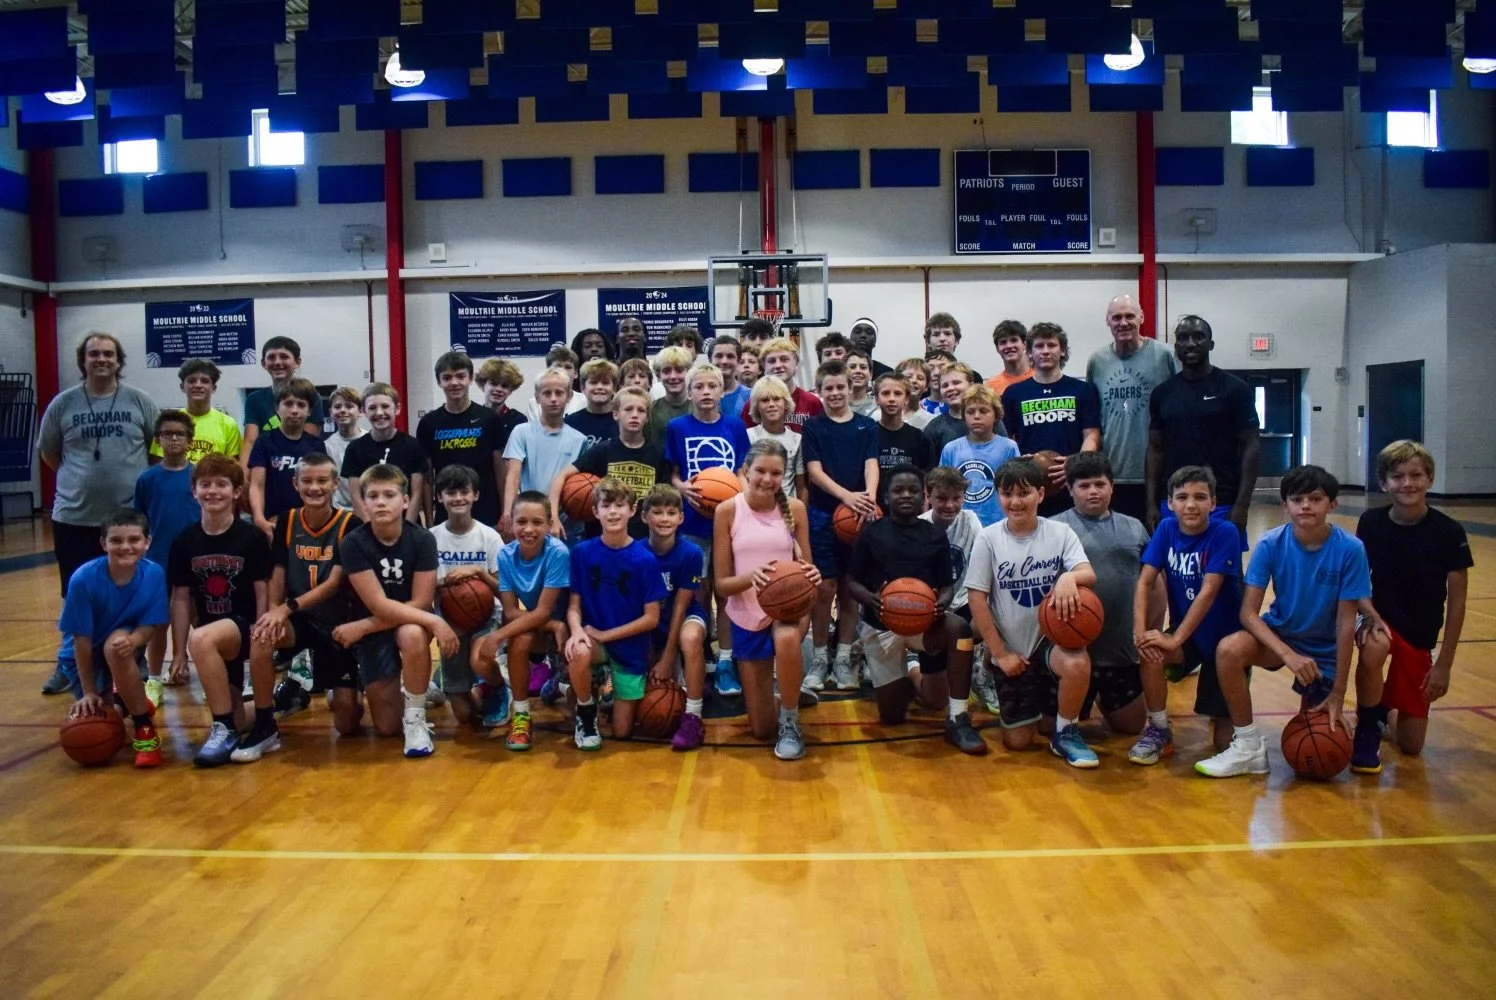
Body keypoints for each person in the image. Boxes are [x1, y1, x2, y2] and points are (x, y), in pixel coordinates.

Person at [1196, 466, 1373, 778]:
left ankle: (1373, 722)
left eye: (1315, 499)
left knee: (1315, 751)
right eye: (1297, 498)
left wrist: (1339, 693)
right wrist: (1288, 655)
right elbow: (1248, 614)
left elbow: (1346, 624)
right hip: (1281, 636)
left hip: (1324, 651)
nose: (1305, 505)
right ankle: (1248, 745)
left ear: (1332, 504)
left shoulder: (1350, 549)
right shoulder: (1270, 544)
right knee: (1229, 650)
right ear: (1285, 504)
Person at [37, 332, 160, 696]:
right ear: (83, 361)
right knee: (75, 594)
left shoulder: (140, 401)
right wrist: (83, 481)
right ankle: (68, 663)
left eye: (108, 354)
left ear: (119, 360)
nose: (102, 359)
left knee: (130, 590)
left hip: (128, 519)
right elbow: (50, 453)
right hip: (75, 516)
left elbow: (155, 451)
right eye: (94, 354)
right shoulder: (64, 404)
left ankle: (130, 656)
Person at [965, 457, 1100, 768]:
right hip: (1012, 646)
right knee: (1018, 743)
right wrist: (1001, 652)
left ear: (1040, 494)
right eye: (1007, 493)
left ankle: (1066, 732)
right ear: (997, 495)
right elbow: (977, 599)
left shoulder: (1060, 532)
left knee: (1078, 662)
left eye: (1023, 493)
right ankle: (988, 665)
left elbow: (1088, 573)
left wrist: (1069, 577)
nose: (1015, 502)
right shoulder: (989, 538)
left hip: (1048, 641)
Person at [845, 465, 986, 754]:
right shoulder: (872, 533)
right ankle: (906, 675)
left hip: (923, 624)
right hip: (881, 626)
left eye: (912, 490)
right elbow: (850, 581)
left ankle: (958, 717)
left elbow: (946, 584)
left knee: (958, 628)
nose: (906, 495)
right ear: (886, 496)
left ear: (923, 496)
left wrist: (942, 603)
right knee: (893, 718)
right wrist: (870, 598)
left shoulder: (934, 534)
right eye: (898, 490)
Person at [1354, 440, 1472, 763]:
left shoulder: (1449, 532)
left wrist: (1444, 665)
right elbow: (1358, 579)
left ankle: (1382, 712)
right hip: (1379, 620)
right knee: (1374, 647)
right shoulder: (1371, 523)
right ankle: (1366, 724)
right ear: (1384, 483)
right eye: (1397, 476)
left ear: (1430, 479)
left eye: (1416, 475)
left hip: (1420, 634)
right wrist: (1368, 615)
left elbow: (1458, 602)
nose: (1407, 483)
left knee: (1411, 746)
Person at [333, 464, 458, 759]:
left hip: (395, 624)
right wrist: (433, 620)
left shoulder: (422, 539)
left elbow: (422, 600)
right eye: (372, 496)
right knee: (387, 727)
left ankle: (415, 716)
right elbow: (378, 604)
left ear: (404, 501)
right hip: (375, 628)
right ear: (362, 502)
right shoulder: (353, 543)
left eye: (389, 495)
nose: (380, 502)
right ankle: (412, 687)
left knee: (413, 633)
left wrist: (363, 626)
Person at [247, 453, 363, 753]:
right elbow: (279, 570)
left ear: (335, 484)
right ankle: (264, 724)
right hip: (299, 621)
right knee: (262, 635)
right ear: (295, 483)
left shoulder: (350, 524)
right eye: (307, 481)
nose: (315, 487)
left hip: (337, 623)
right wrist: (274, 612)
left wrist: (287, 608)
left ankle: (328, 688)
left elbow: (334, 583)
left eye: (322, 481)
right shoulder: (286, 521)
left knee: (347, 725)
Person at [713, 439, 820, 760]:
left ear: (784, 475)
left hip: (788, 608)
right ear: (745, 470)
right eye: (760, 470)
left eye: (776, 473)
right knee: (760, 728)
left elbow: (808, 568)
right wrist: (753, 577)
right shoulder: (727, 510)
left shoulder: (795, 509)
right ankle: (790, 692)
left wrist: (812, 577)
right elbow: (722, 585)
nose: (767, 479)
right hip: (746, 612)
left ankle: (790, 719)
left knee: (786, 638)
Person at [1131, 466, 1245, 762]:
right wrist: (1140, 630)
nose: (1191, 504)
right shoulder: (1167, 529)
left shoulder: (1225, 532)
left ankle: (1228, 714)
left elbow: (1208, 591)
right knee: (1150, 651)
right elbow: (1145, 581)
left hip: (1228, 641)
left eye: (1200, 497)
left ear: (1213, 502)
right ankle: (1158, 728)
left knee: (1222, 743)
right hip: (1191, 634)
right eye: (1181, 497)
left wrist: (1175, 638)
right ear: (1170, 503)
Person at [168, 455, 272, 767]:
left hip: (243, 627)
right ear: (194, 491)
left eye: (221, 484)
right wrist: (176, 654)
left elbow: (262, 588)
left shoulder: (250, 537)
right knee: (241, 716)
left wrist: (261, 628)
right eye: (205, 484)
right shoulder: (185, 541)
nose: (213, 491)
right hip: (214, 632)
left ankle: (221, 728)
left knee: (200, 639)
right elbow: (181, 599)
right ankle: (278, 704)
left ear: (237, 491)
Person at [563, 477, 669, 750]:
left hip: (629, 649)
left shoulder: (644, 559)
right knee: (579, 651)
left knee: (622, 732)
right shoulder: (582, 553)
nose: (613, 512)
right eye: (606, 505)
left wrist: (605, 634)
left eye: (620, 505)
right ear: (595, 512)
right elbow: (574, 605)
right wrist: (576, 631)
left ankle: (604, 689)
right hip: (594, 642)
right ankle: (586, 709)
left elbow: (652, 618)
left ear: (632, 511)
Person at [1053, 453, 1151, 746]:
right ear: (1070, 489)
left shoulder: (1135, 528)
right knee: (1046, 728)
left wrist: (1149, 627)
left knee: (1132, 728)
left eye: (1100, 484)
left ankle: (1098, 701)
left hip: (1119, 651)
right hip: (1072, 650)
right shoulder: (1054, 528)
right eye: (1084, 485)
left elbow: (1152, 584)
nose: (1093, 491)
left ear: (1112, 486)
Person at [666, 362, 751, 696]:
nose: (705, 392)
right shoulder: (677, 427)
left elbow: (741, 470)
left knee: (726, 593)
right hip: (692, 523)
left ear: (721, 390)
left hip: (728, 522)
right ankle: (700, 655)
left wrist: (742, 500)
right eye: (698, 387)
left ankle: (727, 661)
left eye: (711, 386)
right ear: (689, 392)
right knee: (697, 594)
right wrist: (682, 488)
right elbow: (672, 473)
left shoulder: (734, 425)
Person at [59, 509, 168, 769]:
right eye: (116, 541)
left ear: (147, 542)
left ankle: (144, 727)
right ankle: (125, 701)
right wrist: (88, 692)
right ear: (103, 543)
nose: (125, 547)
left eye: (134, 540)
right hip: (83, 659)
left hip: (123, 645)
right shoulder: (84, 579)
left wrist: (133, 640)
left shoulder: (154, 574)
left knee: (116, 644)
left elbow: (150, 627)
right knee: (103, 723)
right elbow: (81, 641)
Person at [801, 359, 880, 691]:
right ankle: (820, 658)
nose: (834, 393)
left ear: (851, 388)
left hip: (858, 515)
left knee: (850, 588)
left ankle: (844, 658)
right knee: (825, 588)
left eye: (839, 387)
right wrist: (848, 497)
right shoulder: (814, 427)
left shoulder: (866, 426)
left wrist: (869, 498)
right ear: (819, 392)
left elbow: (871, 465)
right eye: (828, 388)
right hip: (823, 515)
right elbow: (815, 473)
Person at [1145, 315, 1260, 537]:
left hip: (1222, 502)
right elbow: (1155, 450)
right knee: (1175, 570)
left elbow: (1251, 447)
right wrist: (1151, 503)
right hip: (1174, 502)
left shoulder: (1235, 389)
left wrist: (1242, 505)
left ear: (1211, 344)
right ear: (1175, 345)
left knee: (1222, 570)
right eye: (1183, 337)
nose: (1190, 343)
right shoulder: (1162, 394)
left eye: (1198, 337)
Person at [475, 491, 571, 751]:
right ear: (510, 523)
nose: (528, 529)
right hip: (547, 624)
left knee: (575, 701)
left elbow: (543, 610)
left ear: (550, 525)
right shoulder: (506, 556)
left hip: (572, 624)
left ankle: (560, 682)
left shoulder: (558, 552)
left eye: (537, 522)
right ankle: (521, 715)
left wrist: (496, 636)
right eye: (521, 522)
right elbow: (509, 612)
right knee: (520, 639)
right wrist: (551, 625)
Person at [1085, 294, 1179, 524]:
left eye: (1129, 316)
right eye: (1116, 317)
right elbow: (1092, 416)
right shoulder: (1097, 361)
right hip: (1112, 473)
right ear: (1107, 321)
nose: (1123, 323)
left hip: (1157, 474)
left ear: (1142, 318)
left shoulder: (1164, 355)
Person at [429, 464, 507, 730]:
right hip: (450, 618)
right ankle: (477, 690)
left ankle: (497, 687)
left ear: (475, 495)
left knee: (479, 659)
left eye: (464, 492)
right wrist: (446, 582)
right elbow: (426, 588)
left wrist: (478, 573)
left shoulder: (489, 537)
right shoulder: (432, 538)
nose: (458, 498)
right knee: (463, 716)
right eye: (451, 493)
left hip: (487, 614)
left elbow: (503, 589)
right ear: (439, 497)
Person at [133, 409, 200, 706]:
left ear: (190, 439)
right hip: (159, 560)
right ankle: (155, 679)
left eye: (179, 434)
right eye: (166, 434)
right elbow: (139, 520)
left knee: (200, 618)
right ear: (157, 440)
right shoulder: (147, 479)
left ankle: (207, 672)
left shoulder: (199, 475)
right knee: (158, 623)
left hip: (195, 559)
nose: (173, 439)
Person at [920, 465, 1000, 715]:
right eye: (942, 498)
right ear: (928, 496)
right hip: (931, 609)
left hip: (963, 602)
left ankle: (984, 672)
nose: (950, 505)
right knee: (935, 702)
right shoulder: (918, 527)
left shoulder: (971, 520)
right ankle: (913, 666)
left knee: (1000, 616)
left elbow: (986, 561)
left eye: (957, 498)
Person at [1000, 322, 1102, 516]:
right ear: (1029, 353)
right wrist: (1018, 462)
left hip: (1072, 484)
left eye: (1051, 345)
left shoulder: (1082, 390)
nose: (1045, 351)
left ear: (1062, 350)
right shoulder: (1014, 393)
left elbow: (1092, 436)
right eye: (1039, 346)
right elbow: (1005, 441)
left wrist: (1075, 466)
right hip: (1029, 484)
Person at [640, 485, 710, 751]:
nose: (665, 518)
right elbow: (638, 609)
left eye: (671, 512)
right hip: (648, 621)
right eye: (657, 512)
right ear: (644, 517)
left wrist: (668, 657)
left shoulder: (691, 553)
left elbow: (681, 607)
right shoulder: (636, 552)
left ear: (681, 517)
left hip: (683, 616)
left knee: (690, 639)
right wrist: (652, 656)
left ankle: (693, 716)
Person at [550, 386, 670, 540]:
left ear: (647, 418)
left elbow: (664, 501)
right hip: (601, 539)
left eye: (641, 410)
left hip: (643, 540)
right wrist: (553, 517)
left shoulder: (658, 454)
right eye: (628, 409)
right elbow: (561, 477)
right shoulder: (602, 451)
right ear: (615, 414)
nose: (634, 415)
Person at [418, 352, 508, 528]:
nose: (454, 383)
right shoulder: (429, 423)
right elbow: (427, 478)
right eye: (447, 377)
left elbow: (500, 470)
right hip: (447, 511)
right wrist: (429, 521)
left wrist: (506, 513)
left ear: (470, 379)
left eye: (460, 376)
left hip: (487, 511)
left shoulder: (489, 418)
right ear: (439, 382)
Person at [504, 367, 587, 539]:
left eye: (559, 393)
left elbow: (580, 482)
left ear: (569, 397)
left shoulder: (579, 439)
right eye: (547, 393)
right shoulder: (522, 432)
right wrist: (508, 512)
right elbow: (513, 475)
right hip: (530, 521)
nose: (553, 399)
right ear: (537, 397)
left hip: (566, 524)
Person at [248, 378, 327, 538]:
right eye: (288, 404)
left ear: (310, 411)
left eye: (301, 405)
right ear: (277, 408)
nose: (295, 410)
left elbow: (322, 487)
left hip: (308, 524)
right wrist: (259, 518)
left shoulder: (316, 445)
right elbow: (257, 484)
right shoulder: (264, 442)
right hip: (271, 523)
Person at [341, 383, 427, 524]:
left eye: (385, 406)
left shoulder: (413, 446)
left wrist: (407, 530)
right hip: (370, 526)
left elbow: (416, 494)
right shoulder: (355, 448)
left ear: (397, 409)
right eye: (372, 408)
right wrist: (371, 529)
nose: (379, 412)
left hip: (406, 525)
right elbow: (356, 497)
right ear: (363, 411)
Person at [940, 385, 1020, 527]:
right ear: (963, 416)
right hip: (961, 524)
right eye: (970, 412)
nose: (976, 416)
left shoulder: (1008, 447)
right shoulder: (951, 449)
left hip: (999, 522)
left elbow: (1015, 488)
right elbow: (942, 487)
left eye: (983, 411)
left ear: (996, 415)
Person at [241, 336, 324, 468]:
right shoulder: (254, 399)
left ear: (297, 362)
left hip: (300, 469)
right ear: (263, 363)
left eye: (284, 356)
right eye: (272, 357)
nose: (278, 362)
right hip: (264, 468)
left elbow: (307, 444)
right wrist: (244, 479)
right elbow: (250, 442)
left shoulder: (312, 396)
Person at [158, 358, 241, 463]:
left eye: (205, 381)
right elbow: (157, 464)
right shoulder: (168, 422)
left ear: (214, 387)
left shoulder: (228, 424)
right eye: (191, 381)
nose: (198, 385)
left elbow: (233, 468)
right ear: (182, 386)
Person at [740, 337, 824, 433]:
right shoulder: (753, 404)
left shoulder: (812, 403)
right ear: (763, 366)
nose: (778, 365)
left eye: (784, 359)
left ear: (796, 362)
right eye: (772, 361)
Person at [746, 376, 807, 500]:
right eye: (764, 400)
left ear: (785, 403)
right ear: (757, 406)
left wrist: (801, 515)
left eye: (776, 399)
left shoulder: (797, 439)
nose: (771, 404)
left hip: (787, 511)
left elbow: (801, 486)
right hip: (756, 508)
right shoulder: (748, 436)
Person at [874, 373, 934, 473]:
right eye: (885, 393)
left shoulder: (919, 438)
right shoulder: (867, 436)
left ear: (906, 399)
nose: (891, 399)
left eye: (897, 393)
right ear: (876, 399)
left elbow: (927, 476)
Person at [323, 386, 365, 511]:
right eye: (337, 407)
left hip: (367, 509)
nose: (342, 410)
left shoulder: (369, 440)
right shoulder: (326, 446)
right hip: (339, 511)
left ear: (360, 411)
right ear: (331, 412)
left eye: (349, 406)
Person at [565, 358, 621, 450]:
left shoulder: (624, 421)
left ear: (614, 388)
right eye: (594, 382)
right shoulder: (569, 424)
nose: (599, 387)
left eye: (605, 383)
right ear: (583, 387)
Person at [923, 363, 974, 456]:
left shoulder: (990, 420)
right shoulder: (934, 427)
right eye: (945, 385)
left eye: (956, 382)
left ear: (971, 386)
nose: (950, 388)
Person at [647, 345, 694, 444]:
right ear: (659, 375)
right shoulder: (651, 411)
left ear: (689, 372)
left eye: (679, 370)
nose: (673, 376)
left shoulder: (700, 408)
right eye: (666, 371)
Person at [925, 312, 981, 382]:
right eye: (936, 334)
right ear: (928, 342)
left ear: (957, 340)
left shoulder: (973, 377)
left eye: (947, 333)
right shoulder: (921, 378)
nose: (942, 338)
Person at [984, 320, 1034, 397]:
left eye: (1014, 340)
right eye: (1003, 342)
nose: (1009, 346)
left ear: (1024, 344)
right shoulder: (990, 388)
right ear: (997, 349)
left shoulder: (1042, 379)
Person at [712, 335, 751, 419]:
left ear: (738, 360)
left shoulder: (751, 396)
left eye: (730, 356)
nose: (724, 361)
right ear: (710, 359)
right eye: (719, 356)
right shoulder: (700, 395)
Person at [896, 357, 934, 429]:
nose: (914, 381)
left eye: (920, 378)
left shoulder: (931, 421)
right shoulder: (880, 415)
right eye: (909, 377)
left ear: (926, 386)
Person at [921, 350, 957, 414]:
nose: (936, 373)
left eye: (942, 368)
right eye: (930, 369)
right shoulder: (918, 408)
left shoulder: (965, 407)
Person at [846, 349, 877, 417]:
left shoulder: (878, 407)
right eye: (852, 367)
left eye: (863, 367)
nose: (858, 371)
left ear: (871, 374)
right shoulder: (835, 404)